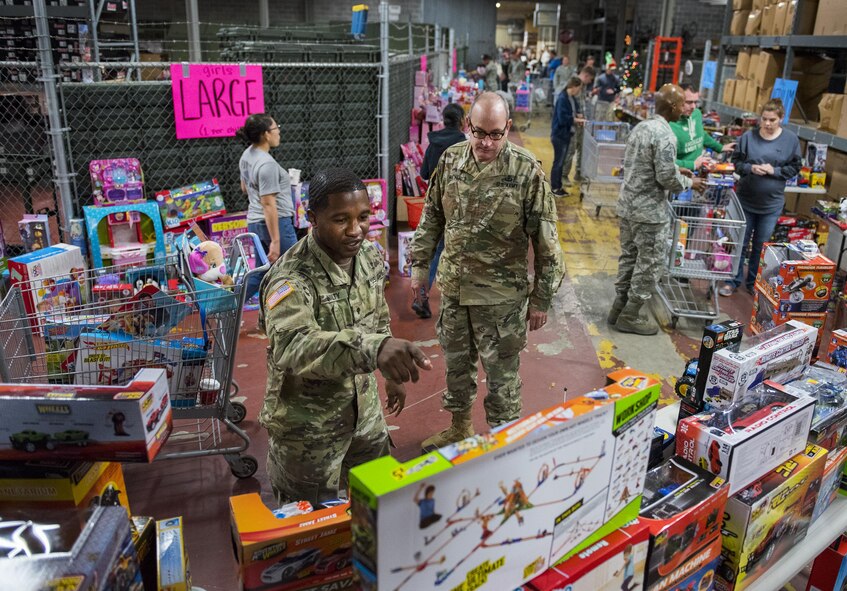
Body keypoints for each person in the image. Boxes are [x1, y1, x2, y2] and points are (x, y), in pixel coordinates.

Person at [259, 168, 432, 504]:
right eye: (341, 219)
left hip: (365, 416)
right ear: (312, 218)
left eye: (364, 217)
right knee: (311, 527)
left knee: (379, 506)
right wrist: (374, 349)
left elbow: (377, 317)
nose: (356, 230)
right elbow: (292, 345)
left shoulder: (368, 257)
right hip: (309, 430)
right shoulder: (291, 278)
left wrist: (390, 372)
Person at [410, 91, 565, 450]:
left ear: (508, 128)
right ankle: (460, 426)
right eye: (479, 132)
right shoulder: (450, 161)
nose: (486, 142)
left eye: (496, 134)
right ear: (467, 126)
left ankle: (504, 442)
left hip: (501, 300)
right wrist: (419, 268)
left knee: (502, 377)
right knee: (456, 365)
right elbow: (431, 217)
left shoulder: (526, 171)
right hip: (454, 290)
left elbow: (547, 245)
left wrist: (541, 299)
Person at [610, 84, 706, 335]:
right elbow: (665, 178)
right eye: (683, 103)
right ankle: (630, 315)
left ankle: (618, 307)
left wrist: (676, 169)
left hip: (629, 206)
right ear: (673, 107)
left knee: (629, 258)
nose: (686, 109)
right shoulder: (665, 134)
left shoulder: (642, 127)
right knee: (650, 263)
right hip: (649, 212)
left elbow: (646, 165)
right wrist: (689, 181)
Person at [720, 98, 801, 297]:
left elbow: (795, 167)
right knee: (740, 242)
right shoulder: (748, 137)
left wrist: (774, 170)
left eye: (772, 120)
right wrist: (750, 168)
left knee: (760, 246)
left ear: (781, 118)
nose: (767, 124)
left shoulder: (790, 140)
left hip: (771, 205)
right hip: (745, 201)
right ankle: (732, 280)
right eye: (764, 119)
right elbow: (737, 162)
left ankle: (753, 283)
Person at [237, 113, 299, 302]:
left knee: (262, 271)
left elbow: (244, 188)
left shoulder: (247, 155)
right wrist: (275, 240)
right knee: (296, 267)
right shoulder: (267, 165)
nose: (278, 131)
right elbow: (268, 203)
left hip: (256, 221)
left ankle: (231, 305)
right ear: (265, 134)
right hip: (274, 223)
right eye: (275, 128)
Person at [414, 103, 468, 318]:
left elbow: (425, 173)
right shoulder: (463, 144)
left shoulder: (433, 142)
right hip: (457, 205)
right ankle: (461, 298)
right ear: (462, 120)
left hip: (434, 202)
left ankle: (420, 294)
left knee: (432, 248)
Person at [670, 84, 736, 170]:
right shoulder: (668, 125)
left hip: (697, 172)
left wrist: (720, 147)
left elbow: (701, 134)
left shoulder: (696, 113)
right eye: (689, 102)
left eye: (695, 102)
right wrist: (692, 164)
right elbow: (665, 162)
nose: (693, 107)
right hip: (679, 176)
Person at [561, 66, 596, 187]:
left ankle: (579, 173)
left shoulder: (583, 87)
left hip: (582, 123)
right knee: (570, 150)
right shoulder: (574, 84)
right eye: (590, 79)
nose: (590, 82)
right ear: (586, 75)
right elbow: (568, 104)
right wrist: (576, 117)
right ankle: (564, 175)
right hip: (573, 124)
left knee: (582, 149)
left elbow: (582, 103)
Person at [550, 76, 584, 197]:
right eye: (578, 88)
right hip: (559, 135)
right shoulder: (562, 99)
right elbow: (562, 118)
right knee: (558, 162)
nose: (579, 91)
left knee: (561, 161)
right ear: (573, 87)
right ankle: (555, 187)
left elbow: (573, 111)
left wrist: (578, 115)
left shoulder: (571, 98)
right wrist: (575, 120)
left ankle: (558, 186)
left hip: (566, 134)